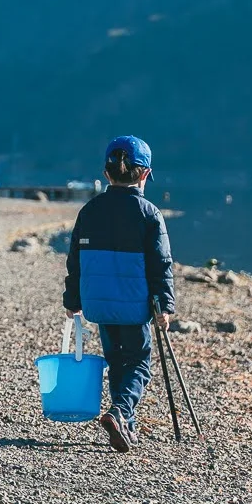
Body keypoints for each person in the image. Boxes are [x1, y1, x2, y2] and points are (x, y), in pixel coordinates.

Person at [61, 135, 175, 453]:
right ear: (144, 174)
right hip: (134, 304)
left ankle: (128, 426)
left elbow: (75, 261)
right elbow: (160, 264)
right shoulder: (149, 214)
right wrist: (164, 304)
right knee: (139, 363)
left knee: (117, 361)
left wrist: (73, 301)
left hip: (98, 302)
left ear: (107, 173)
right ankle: (121, 413)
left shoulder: (90, 211)